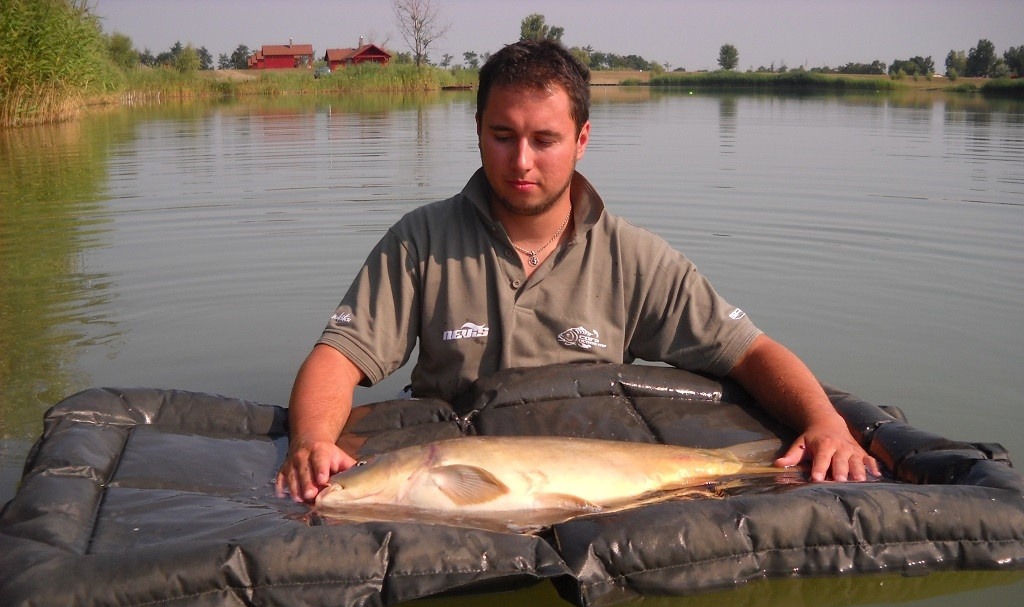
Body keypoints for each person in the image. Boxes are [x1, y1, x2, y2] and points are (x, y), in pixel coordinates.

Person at [276, 39, 878, 503]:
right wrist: (310, 444)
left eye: (545, 139)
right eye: (503, 135)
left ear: (582, 138)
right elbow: (337, 359)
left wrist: (825, 423)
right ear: (479, 132)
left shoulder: (634, 257)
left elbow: (751, 352)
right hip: (457, 485)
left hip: (594, 487)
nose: (521, 161)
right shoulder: (421, 241)